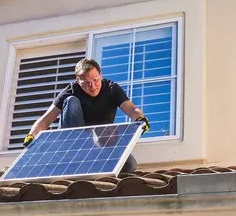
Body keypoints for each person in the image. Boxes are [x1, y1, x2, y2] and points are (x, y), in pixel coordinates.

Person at [22, 58, 150, 173]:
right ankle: (72, 154)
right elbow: (45, 119)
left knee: (129, 165)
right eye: (86, 83)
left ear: (101, 75)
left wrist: (140, 119)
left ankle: (95, 166)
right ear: (78, 81)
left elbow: (131, 108)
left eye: (95, 80)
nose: (93, 86)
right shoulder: (70, 91)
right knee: (71, 101)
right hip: (75, 142)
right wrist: (31, 136)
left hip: (101, 142)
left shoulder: (111, 89)